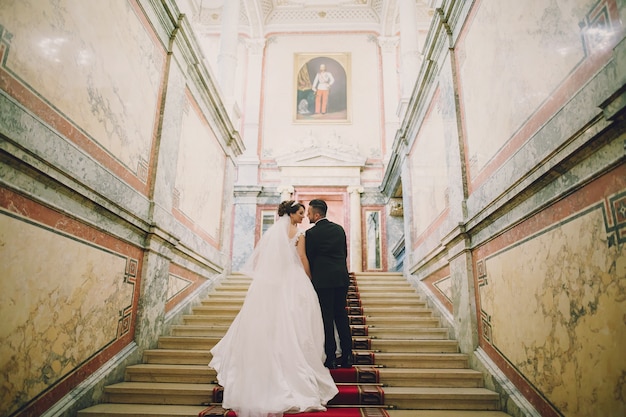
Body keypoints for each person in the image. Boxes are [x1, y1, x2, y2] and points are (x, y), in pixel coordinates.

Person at [209, 201, 338, 417]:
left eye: (304, 213)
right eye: (300, 213)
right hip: (294, 280)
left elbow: (264, 259)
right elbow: (303, 258)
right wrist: (309, 277)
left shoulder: (273, 233)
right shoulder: (299, 234)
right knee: (298, 319)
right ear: (291, 213)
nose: (303, 217)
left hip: (275, 282)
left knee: (277, 321)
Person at [305, 199, 353, 369]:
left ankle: (331, 357)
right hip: (341, 278)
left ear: (317, 214)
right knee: (341, 315)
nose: (307, 216)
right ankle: (348, 355)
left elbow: (309, 258)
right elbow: (344, 253)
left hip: (322, 280)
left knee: (326, 317)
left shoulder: (311, 234)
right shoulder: (339, 229)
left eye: (309, 213)